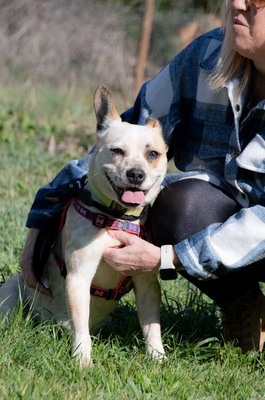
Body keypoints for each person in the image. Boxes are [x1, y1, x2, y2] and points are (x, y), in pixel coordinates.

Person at [20, 0, 265, 353]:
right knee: (177, 204)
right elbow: (119, 137)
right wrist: (43, 219)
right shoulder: (205, 56)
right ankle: (244, 304)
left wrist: (165, 259)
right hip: (223, 219)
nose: (238, 3)